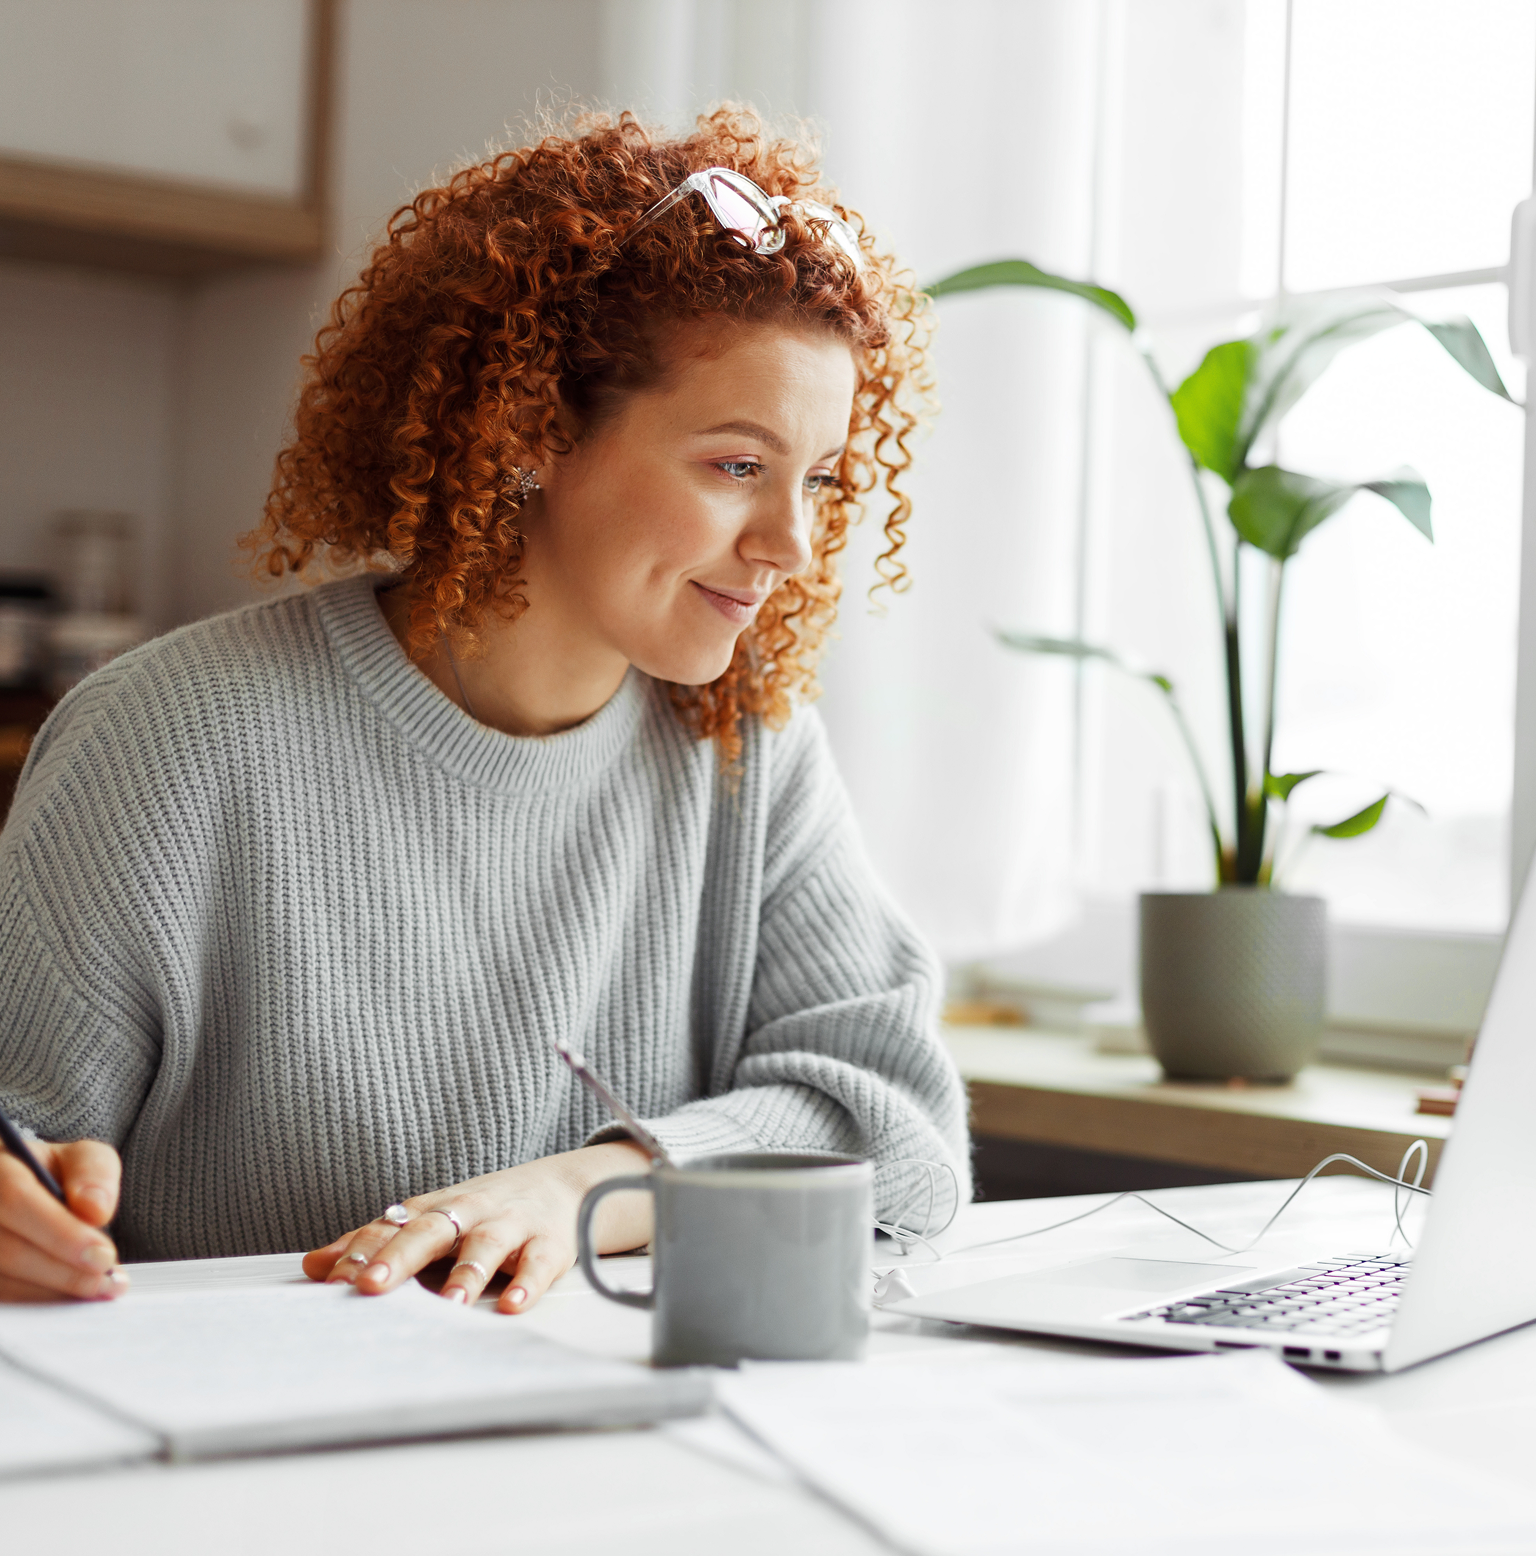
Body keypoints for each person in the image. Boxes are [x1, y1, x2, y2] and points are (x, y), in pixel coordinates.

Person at [0, 107, 969, 1312]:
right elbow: (24, 1138)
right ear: (530, 430)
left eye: (820, 480)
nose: (792, 544)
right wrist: (34, 1204)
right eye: (736, 464)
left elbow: (901, 1132)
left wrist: (591, 1189)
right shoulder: (170, 738)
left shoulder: (747, 747)